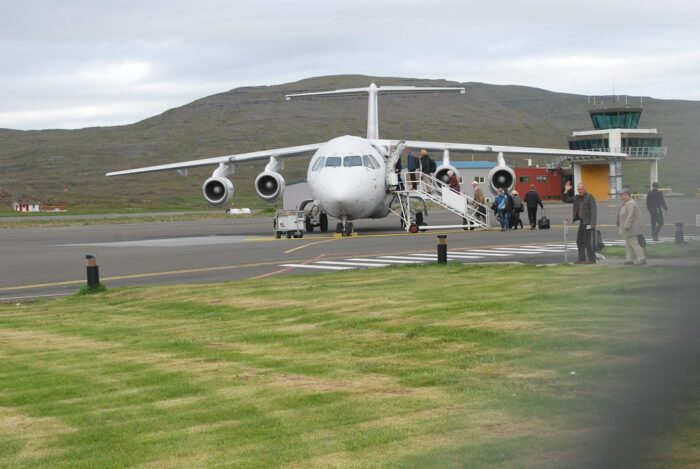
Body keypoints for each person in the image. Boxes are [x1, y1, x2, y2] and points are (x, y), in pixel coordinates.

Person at [617, 188, 646, 265]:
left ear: (629, 196)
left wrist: (626, 226)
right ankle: (629, 260)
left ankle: (641, 259)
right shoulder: (627, 203)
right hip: (629, 227)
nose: (623, 197)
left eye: (625, 195)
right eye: (622, 196)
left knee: (633, 243)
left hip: (630, 227)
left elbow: (630, 216)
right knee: (629, 243)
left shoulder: (631, 203)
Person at [572, 182, 597, 264]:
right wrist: (566, 191)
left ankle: (591, 259)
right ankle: (582, 258)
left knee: (588, 241)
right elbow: (566, 199)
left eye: (581, 189)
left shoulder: (590, 197)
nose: (580, 191)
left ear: (585, 189)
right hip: (582, 222)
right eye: (578, 189)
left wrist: (592, 224)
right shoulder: (577, 198)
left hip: (588, 222)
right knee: (579, 241)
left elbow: (594, 211)